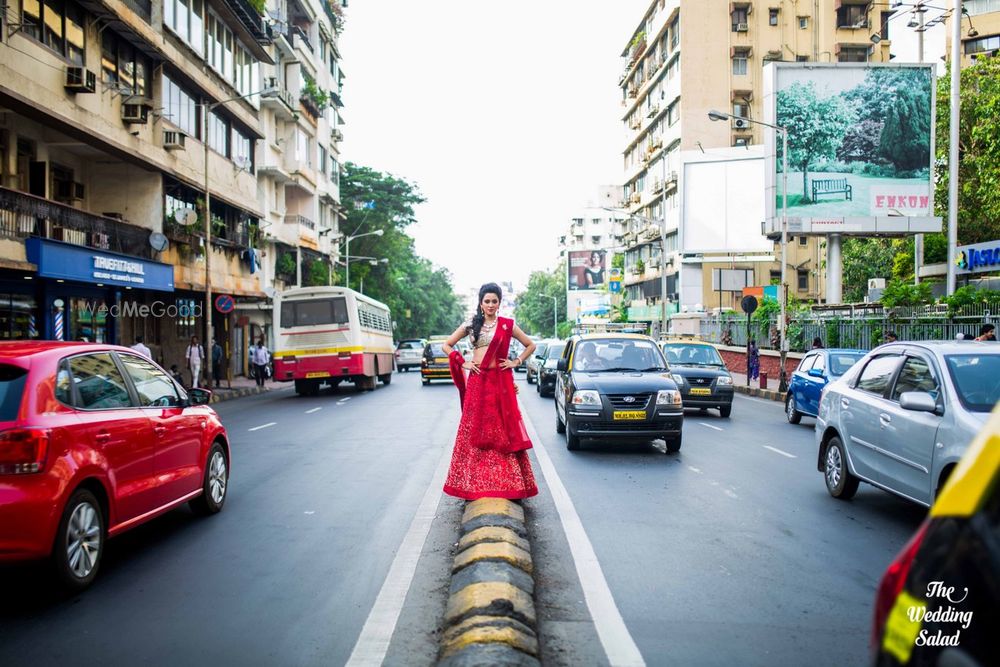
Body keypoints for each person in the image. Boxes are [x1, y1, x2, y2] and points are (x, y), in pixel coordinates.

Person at [441, 283, 538, 500]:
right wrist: (462, 362)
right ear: (481, 303)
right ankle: (474, 482)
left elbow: (530, 345)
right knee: (475, 429)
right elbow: (446, 345)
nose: (491, 305)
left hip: (500, 382)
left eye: (495, 301)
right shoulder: (471, 324)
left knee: (502, 430)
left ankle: (508, 482)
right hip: (478, 382)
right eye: (487, 301)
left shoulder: (507, 325)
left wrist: (516, 361)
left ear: (499, 303)